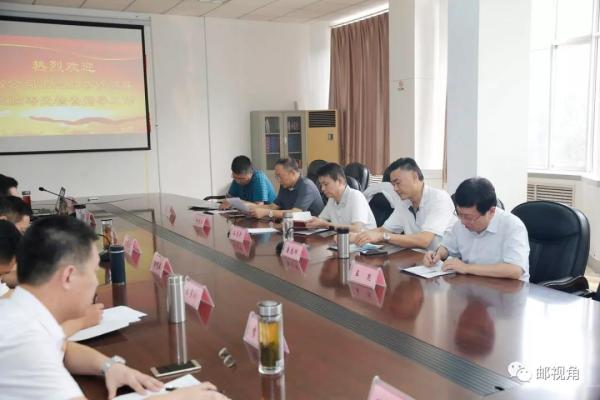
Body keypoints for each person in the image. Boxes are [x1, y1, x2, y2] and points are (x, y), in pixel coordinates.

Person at [0, 216, 228, 399]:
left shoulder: (19, 310)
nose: (95, 282)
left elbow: (63, 348)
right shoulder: (26, 339)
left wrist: (109, 366)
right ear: (68, 276)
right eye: (93, 271)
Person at [422, 177, 530, 281]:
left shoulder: (513, 226)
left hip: (508, 290)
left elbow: (515, 270)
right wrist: (437, 255)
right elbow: (447, 248)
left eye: (468, 217)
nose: (463, 222)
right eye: (459, 214)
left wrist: (467, 268)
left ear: (491, 211)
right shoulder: (460, 224)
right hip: (472, 285)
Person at [353, 158, 456, 250]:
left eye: (398, 183)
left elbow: (424, 241)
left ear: (415, 177)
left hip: (445, 261)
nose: (395, 189)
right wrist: (357, 236)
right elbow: (384, 230)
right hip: (418, 259)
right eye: (393, 184)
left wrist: (383, 236)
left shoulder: (439, 198)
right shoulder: (404, 202)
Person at [305, 162, 376, 232]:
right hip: (343, 238)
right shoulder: (332, 199)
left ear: (340, 181)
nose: (322, 189)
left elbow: (356, 229)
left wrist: (326, 225)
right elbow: (322, 220)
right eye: (321, 185)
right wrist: (312, 221)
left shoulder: (356, 196)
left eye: (326, 184)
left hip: (366, 238)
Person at [248, 158, 324, 219]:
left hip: (314, 229)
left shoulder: (306, 186)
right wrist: (251, 208)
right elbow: (273, 206)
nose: (278, 180)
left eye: (280, 176)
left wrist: (268, 213)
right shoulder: (285, 185)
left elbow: (296, 213)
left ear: (292, 173)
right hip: (293, 226)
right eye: (277, 177)